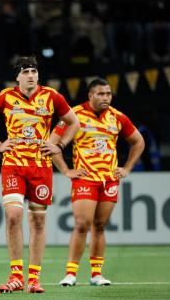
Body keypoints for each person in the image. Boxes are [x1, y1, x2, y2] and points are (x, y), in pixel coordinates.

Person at [0, 55, 80, 294]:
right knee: (13, 215)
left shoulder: (52, 96)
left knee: (38, 221)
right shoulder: (5, 97)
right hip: (13, 164)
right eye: (26, 72)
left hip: (41, 166)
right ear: (18, 76)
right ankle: (15, 276)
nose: (31, 75)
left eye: (34, 71)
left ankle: (34, 278)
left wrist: (60, 146)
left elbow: (73, 123)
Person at [51, 78, 145, 287]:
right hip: (85, 178)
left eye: (108, 94)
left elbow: (138, 141)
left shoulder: (117, 117)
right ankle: (71, 273)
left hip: (109, 179)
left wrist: (128, 167)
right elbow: (52, 143)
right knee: (82, 224)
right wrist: (66, 170)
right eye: (101, 94)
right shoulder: (73, 115)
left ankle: (96, 274)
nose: (106, 98)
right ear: (90, 96)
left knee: (100, 225)